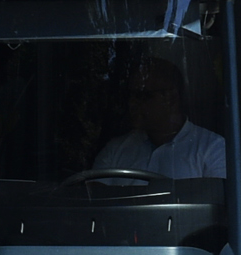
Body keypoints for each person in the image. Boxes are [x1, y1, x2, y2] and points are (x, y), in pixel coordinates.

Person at [93, 57, 228, 179]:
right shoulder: (115, 150)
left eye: (142, 95)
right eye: (130, 95)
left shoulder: (212, 149)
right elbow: (95, 200)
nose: (132, 103)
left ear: (171, 98)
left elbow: (219, 202)